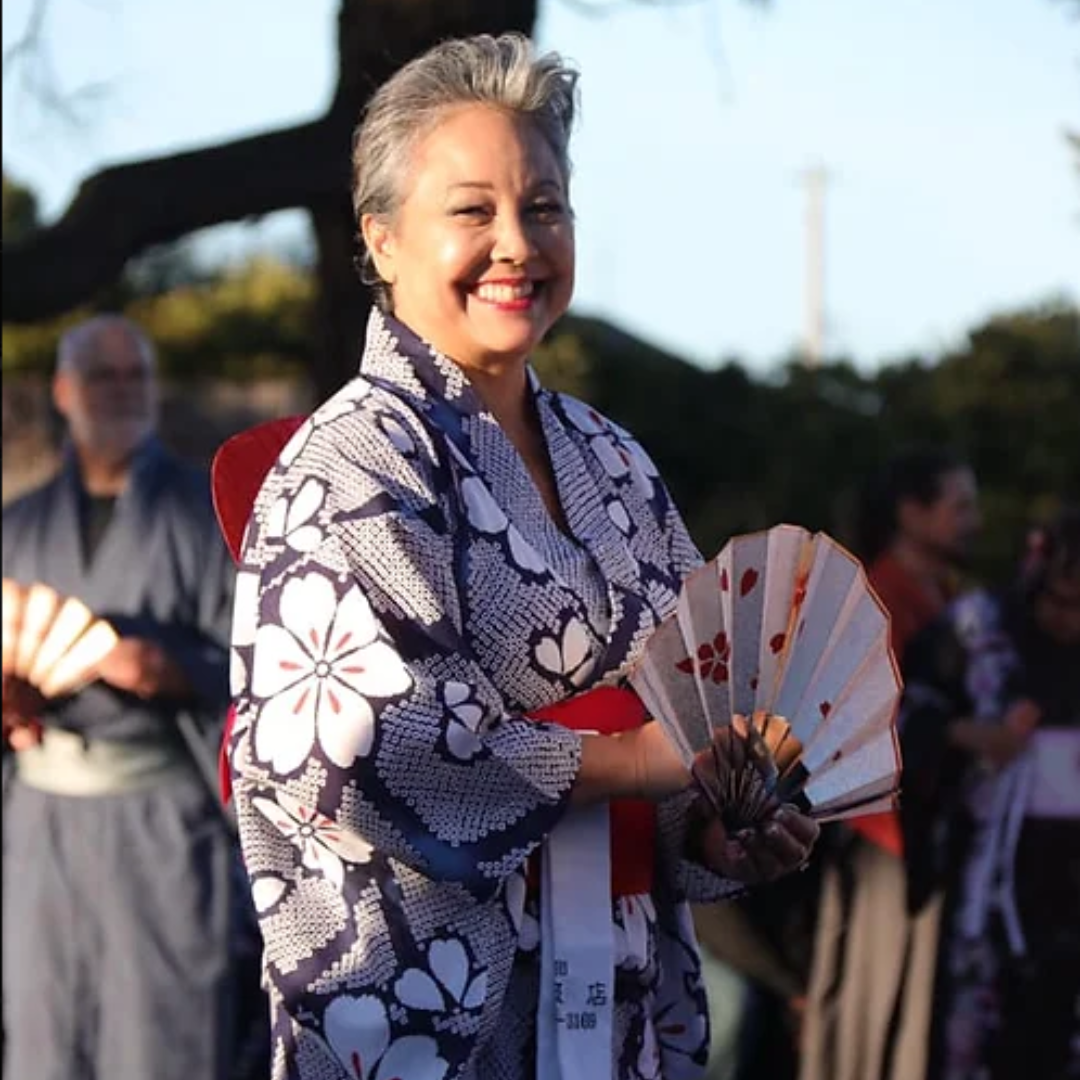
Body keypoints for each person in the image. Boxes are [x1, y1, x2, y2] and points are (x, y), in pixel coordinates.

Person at [226, 33, 820, 1080]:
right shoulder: (346, 468)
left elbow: (691, 697)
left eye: (543, 207)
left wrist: (710, 830)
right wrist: (634, 761)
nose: (517, 243)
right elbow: (356, 745)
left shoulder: (615, 461)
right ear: (384, 240)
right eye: (472, 210)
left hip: (617, 1006)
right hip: (419, 1011)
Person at [2, 315, 238, 1080]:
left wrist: (175, 669)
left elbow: (266, 667)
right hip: (41, 822)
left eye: (137, 375)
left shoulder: (210, 517)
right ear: (64, 392)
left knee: (162, 1038)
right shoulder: (17, 526)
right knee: (43, 1032)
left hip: (162, 819)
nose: (123, 392)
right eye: (104, 376)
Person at [798, 445, 981, 1080]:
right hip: (881, 840)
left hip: (938, 842)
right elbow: (854, 721)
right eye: (960, 506)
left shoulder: (952, 599)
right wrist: (961, 733)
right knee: (868, 1020)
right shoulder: (872, 595)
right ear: (912, 512)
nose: (973, 522)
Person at [901, 506, 1080, 1080]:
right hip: (989, 882)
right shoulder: (974, 629)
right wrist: (968, 734)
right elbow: (902, 715)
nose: (1068, 619)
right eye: (1058, 601)